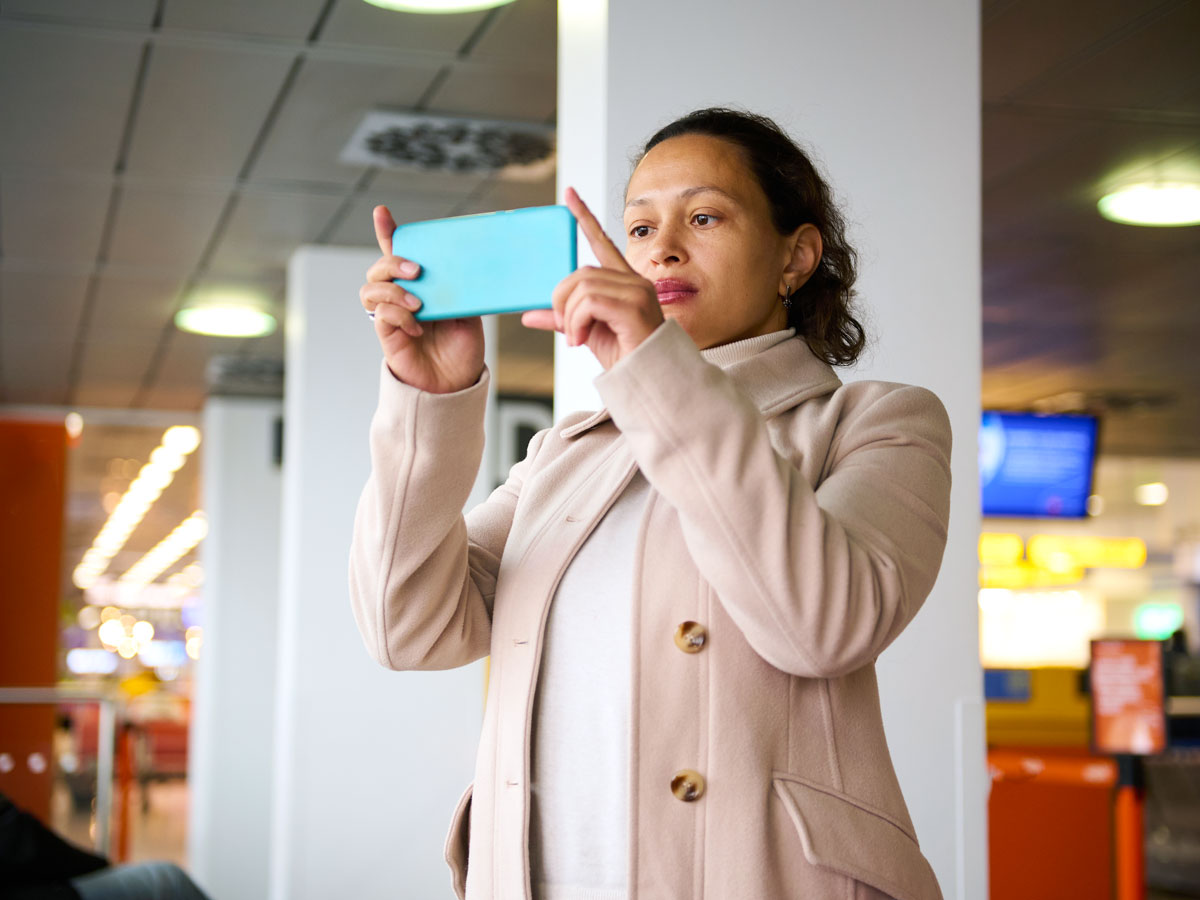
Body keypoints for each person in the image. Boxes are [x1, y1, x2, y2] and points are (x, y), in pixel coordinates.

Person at [351, 108, 952, 900]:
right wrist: (432, 401)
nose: (663, 247)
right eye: (639, 228)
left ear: (796, 258)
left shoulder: (879, 421)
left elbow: (822, 627)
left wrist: (654, 371)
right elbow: (408, 632)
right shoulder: (565, 454)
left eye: (704, 216)